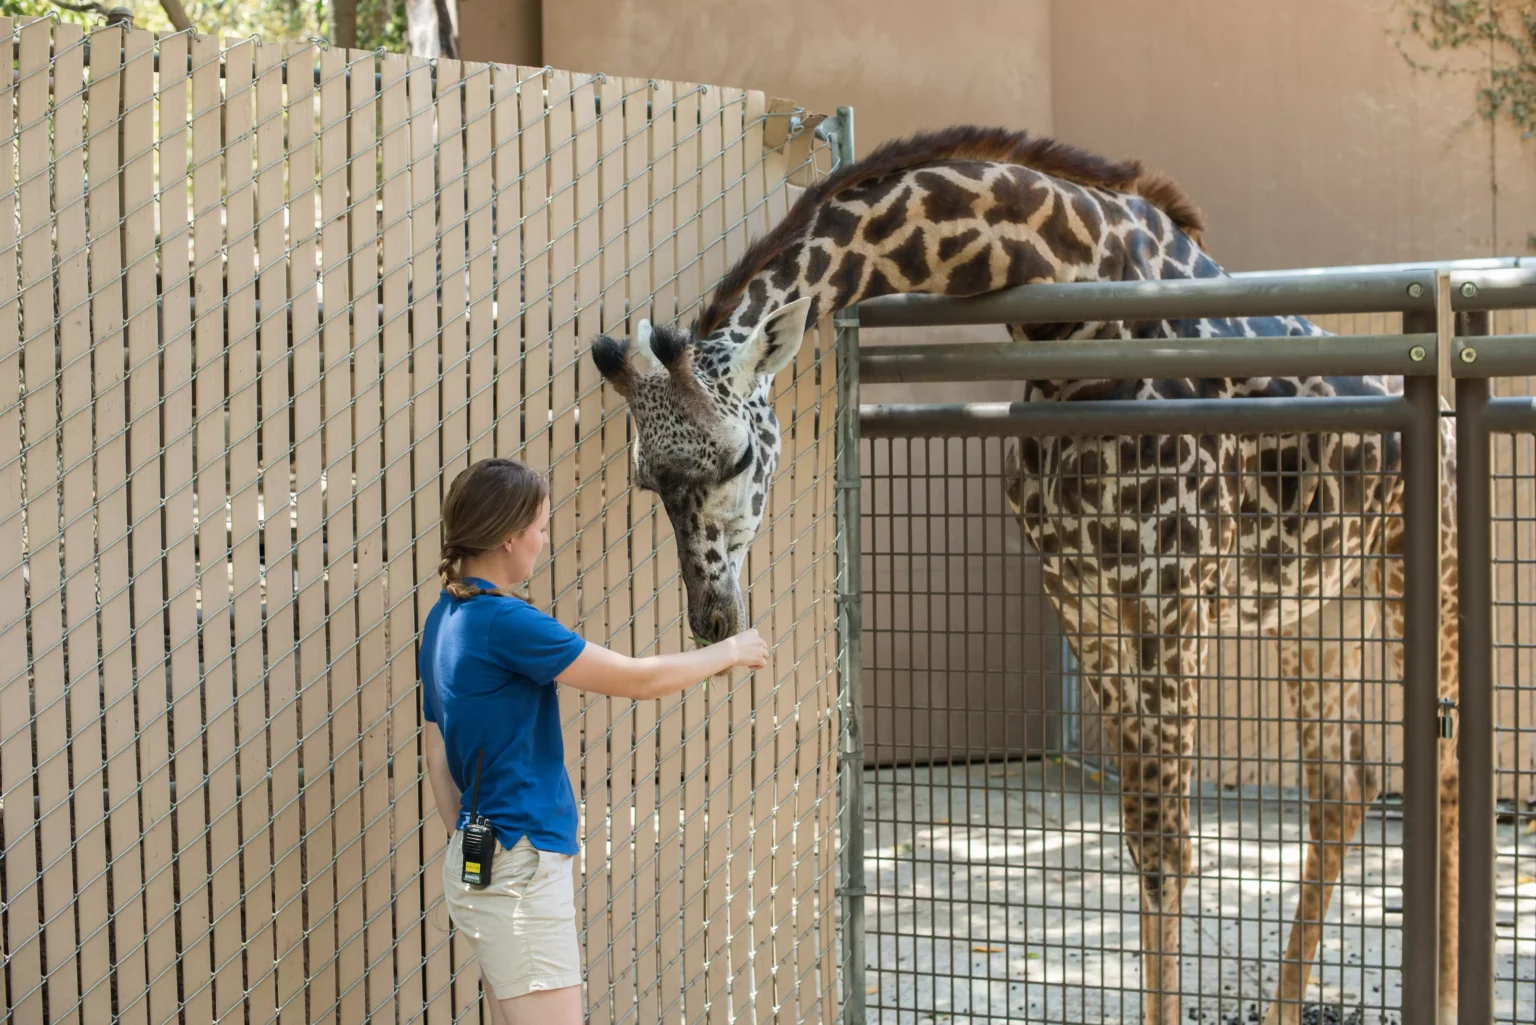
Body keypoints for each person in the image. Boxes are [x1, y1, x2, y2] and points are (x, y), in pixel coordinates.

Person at [418, 457, 769, 1025]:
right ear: (509, 537)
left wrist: (473, 834)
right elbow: (637, 679)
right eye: (540, 527)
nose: (543, 540)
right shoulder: (504, 622)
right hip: (520, 867)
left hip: (483, 864)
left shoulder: (444, 616)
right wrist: (728, 650)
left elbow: (435, 751)